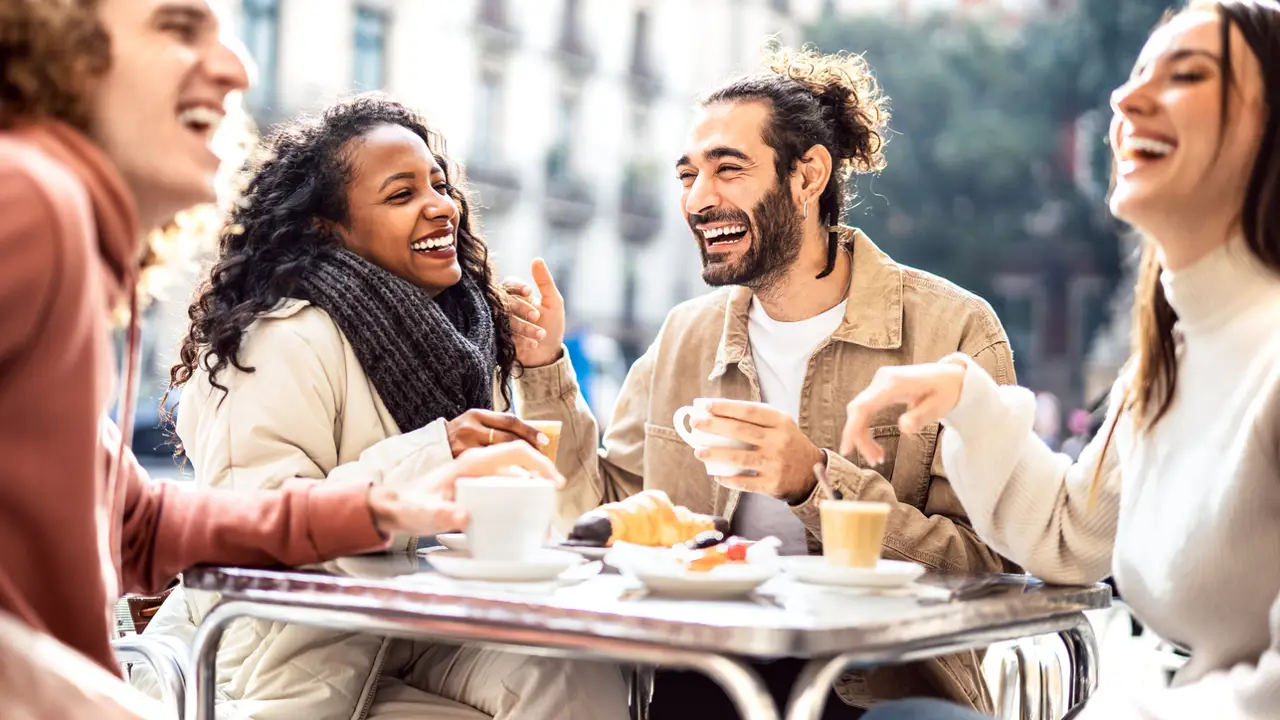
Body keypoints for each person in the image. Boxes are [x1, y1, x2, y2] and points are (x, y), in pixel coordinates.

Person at [0, 0, 563, 684]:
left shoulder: (71, 236)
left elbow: (140, 530)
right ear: (57, 56)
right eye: (177, 28)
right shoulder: (30, 202)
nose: (238, 66)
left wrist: (377, 506)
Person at [505, 46, 1017, 716]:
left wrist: (815, 481)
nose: (698, 199)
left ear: (808, 176)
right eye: (688, 176)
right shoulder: (684, 337)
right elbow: (600, 511)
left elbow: (991, 567)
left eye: (728, 169)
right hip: (695, 671)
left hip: (873, 685)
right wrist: (545, 367)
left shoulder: (953, 332)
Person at [842, 2, 1280, 718]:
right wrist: (964, 399)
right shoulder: (1168, 362)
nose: (1124, 99)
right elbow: (1072, 536)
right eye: (1135, 75)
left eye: (1188, 74)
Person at [132, 94, 628, 719]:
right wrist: (438, 451)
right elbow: (255, 528)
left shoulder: (465, 337)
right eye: (401, 195)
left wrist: (542, 366)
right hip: (276, 663)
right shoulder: (278, 338)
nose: (442, 206)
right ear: (326, 226)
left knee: (578, 674)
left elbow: (574, 516)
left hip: (413, 627)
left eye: (439, 185)